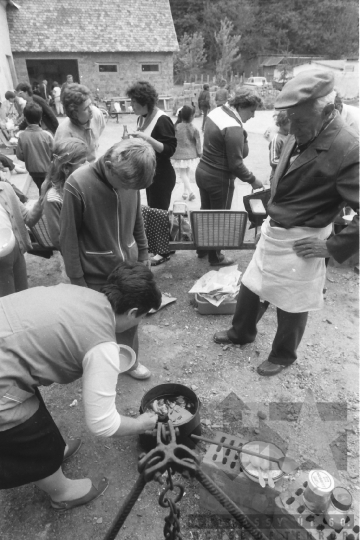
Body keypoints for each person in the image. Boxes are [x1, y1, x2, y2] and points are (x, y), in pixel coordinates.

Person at [214, 70, 359, 377]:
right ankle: (242, 333)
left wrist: (332, 246)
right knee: (252, 284)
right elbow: (292, 178)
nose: (292, 128)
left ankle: (283, 355)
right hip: (275, 228)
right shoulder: (303, 127)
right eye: (290, 119)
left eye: (300, 122)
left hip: (304, 238)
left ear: (329, 112)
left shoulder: (348, 148)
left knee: (293, 301)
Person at [0, 261, 160, 509]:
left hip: (8, 345)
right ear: (133, 313)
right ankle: (61, 491)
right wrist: (141, 424)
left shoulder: (84, 294)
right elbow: (102, 424)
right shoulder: (102, 346)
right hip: (3, 377)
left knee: (30, 401)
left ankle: (54, 452)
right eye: (142, 317)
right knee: (26, 430)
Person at [60, 138, 155, 380]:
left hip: (129, 268)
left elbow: (137, 220)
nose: (128, 189)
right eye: (124, 184)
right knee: (97, 325)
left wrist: (143, 255)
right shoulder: (78, 184)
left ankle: (130, 361)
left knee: (130, 320)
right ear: (110, 166)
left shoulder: (130, 181)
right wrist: (77, 280)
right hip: (95, 273)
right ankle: (98, 369)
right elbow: (68, 238)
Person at [195, 88, 263, 266]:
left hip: (203, 170)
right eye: (252, 110)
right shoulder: (232, 127)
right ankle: (215, 256)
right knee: (219, 217)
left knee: (206, 213)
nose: (254, 115)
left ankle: (202, 248)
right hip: (219, 178)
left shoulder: (217, 112)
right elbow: (236, 164)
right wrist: (253, 180)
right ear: (241, 106)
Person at [126, 81, 177, 212]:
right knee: (152, 211)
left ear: (144, 101)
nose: (131, 105)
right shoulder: (142, 117)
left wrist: (147, 138)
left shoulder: (162, 120)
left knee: (158, 214)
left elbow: (170, 150)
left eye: (133, 101)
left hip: (161, 177)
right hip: (149, 172)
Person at [0, 179, 47, 296]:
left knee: (23, 295)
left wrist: (42, 199)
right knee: (7, 302)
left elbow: (28, 218)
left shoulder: (6, 189)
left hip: (16, 251)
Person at [43, 138, 88, 249]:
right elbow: (59, 240)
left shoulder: (85, 184)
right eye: (82, 163)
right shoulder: (54, 198)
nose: (88, 165)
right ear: (66, 168)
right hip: (78, 253)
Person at [54, 83, 105, 163]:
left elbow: (100, 129)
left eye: (90, 105)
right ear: (74, 114)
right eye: (85, 108)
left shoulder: (97, 114)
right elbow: (62, 162)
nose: (91, 110)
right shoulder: (64, 132)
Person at [16, 102, 53, 193]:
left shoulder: (21, 136)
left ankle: (42, 202)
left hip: (32, 171)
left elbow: (19, 155)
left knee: (41, 188)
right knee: (48, 191)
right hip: (47, 170)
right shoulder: (47, 135)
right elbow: (54, 153)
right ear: (40, 118)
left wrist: (30, 157)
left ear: (25, 119)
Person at [171, 105, 201, 202]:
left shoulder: (176, 127)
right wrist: (199, 153)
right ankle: (189, 192)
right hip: (190, 154)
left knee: (183, 174)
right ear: (191, 116)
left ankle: (187, 192)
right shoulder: (193, 128)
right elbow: (198, 142)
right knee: (186, 173)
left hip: (179, 154)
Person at [269, 110, 290, 184]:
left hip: (287, 178)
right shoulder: (277, 139)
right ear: (283, 122)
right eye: (290, 122)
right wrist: (290, 162)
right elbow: (273, 161)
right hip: (277, 178)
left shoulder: (291, 138)